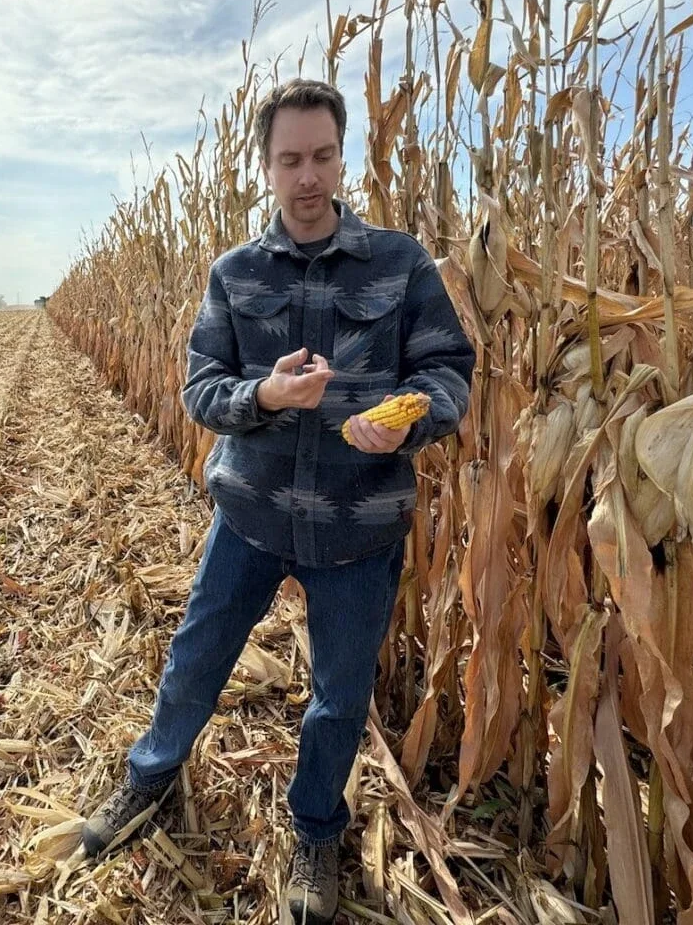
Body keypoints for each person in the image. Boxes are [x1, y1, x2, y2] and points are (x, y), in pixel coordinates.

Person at [81, 78, 475, 924]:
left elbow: (447, 371)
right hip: (252, 515)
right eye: (289, 159)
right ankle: (149, 777)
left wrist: (406, 426)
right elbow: (199, 389)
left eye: (322, 157)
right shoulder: (235, 274)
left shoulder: (400, 264)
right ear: (264, 166)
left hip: (360, 524)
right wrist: (263, 397)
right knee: (196, 657)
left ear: (341, 158)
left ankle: (316, 831)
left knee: (338, 694)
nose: (307, 177)